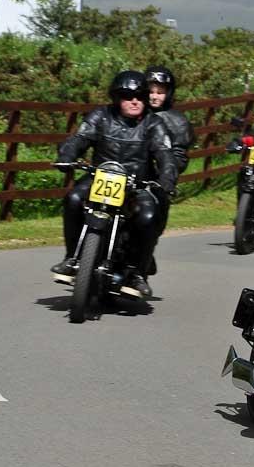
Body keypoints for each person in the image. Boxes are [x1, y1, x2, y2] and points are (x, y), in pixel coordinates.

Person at [50, 70, 178, 297]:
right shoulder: (100, 116)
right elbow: (80, 138)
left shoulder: (154, 124)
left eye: (140, 95)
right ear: (117, 98)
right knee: (73, 198)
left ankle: (137, 274)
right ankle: (72, 258)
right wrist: (66, 155)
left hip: (137, 185)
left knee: (148, 216)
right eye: (128, 96)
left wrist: (166, 179)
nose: (135, 100)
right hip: (99, 176)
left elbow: (165, 154)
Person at [144, 66, 196, 271]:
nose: (154, 96)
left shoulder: (178, 121)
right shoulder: (132, 110)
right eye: (151, 90)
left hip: (154, 180)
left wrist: (166, 173)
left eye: (160, 91)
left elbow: (179, 156)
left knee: (157, 209)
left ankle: (145, 251)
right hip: (123, 173)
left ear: (169, 93)